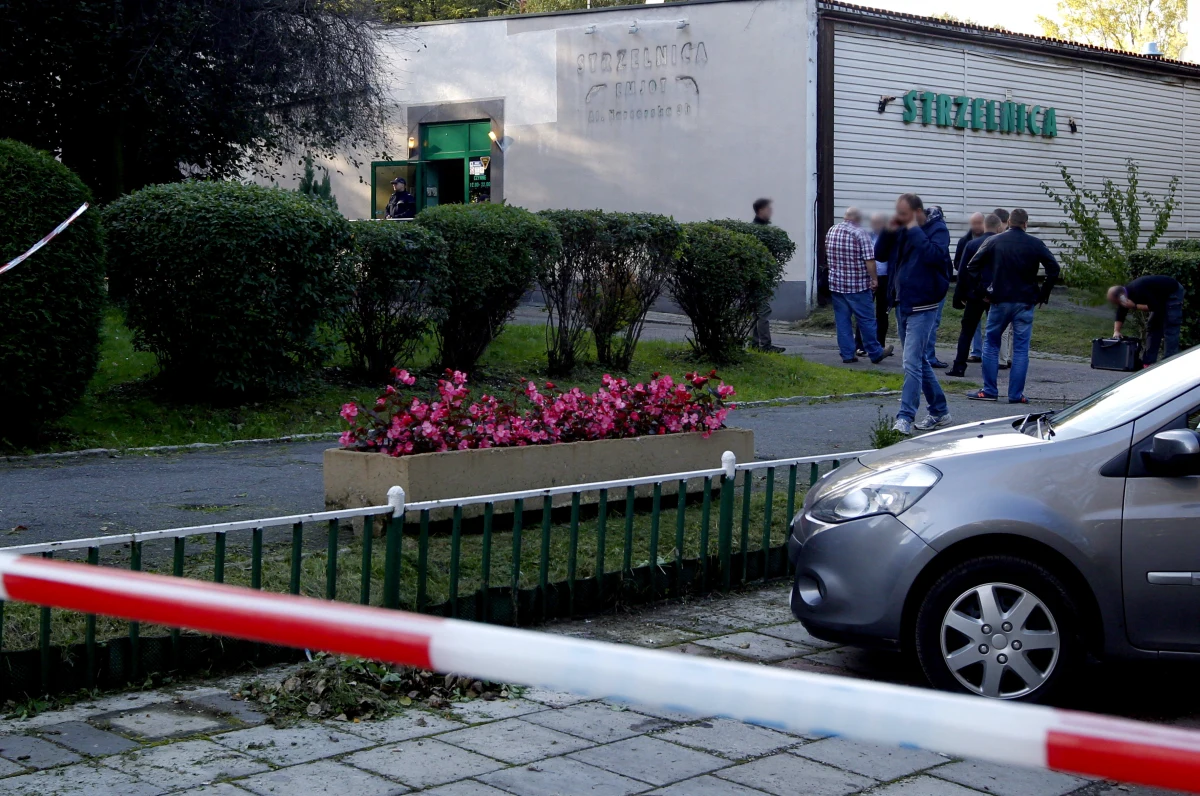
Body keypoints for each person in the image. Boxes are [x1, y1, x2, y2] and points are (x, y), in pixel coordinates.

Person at [965, 208, 1060, 404]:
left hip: (999, 299)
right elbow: (1054, 268)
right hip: (1025, 301)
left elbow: (972, 266)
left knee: (991, 343)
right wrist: (1043, 294)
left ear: (1008, 222)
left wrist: (984, 291)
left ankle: (989, 390)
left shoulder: (994, 241)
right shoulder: (1035, 243)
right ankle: (1015, 394)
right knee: (1021, 348)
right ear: (1026, 224)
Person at [875, 193, 952, 435]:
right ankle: (940, 411)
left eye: (904, 213)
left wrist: (913, 229)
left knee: (910, 362)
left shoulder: (937, 229)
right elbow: (880, 255)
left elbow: (935, 256)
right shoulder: (901, 229)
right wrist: (889, 230)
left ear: (917, 212)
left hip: (924, 304)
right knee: (918, 361)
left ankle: (905, 417)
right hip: (902, 302)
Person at [826, 208, 895, 366]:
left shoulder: (832, 230)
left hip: (836, 284)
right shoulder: (860, 233)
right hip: (857, 285)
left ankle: (847, 354)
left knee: (842, 321)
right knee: (866, 320)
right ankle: (875, 352)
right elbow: (870, 260)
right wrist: (874, 279)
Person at [947, 213, 1003, 377]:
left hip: (974, 294)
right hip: (996, 294)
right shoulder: (1002, 245)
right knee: (994, 332)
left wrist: (960, 295)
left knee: (967, 331)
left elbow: (963, 271)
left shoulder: (972, 244)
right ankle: (993, 367)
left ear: (985, 226)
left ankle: (959, 366)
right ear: (999, 227)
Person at [1107, 275, 1185, 365]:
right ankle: (1149, 362)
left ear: (1121, 297)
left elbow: (1156, 307)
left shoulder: (1139, 289)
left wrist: (1134, 306)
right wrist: (1116, 331)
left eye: (1116, 302)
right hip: (1158, 298)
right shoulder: (1125, 295)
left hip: (1172, 292)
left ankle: (1169, 362)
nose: (1116, 305)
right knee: (1153, 327)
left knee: (1170, 326)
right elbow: (1121, 312)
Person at [751, 198, 785, 353]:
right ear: (760, 210)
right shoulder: (759, 231)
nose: (771, 211)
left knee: (757, 312)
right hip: (759, 277)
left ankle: (755, 343)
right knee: (763, 311)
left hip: (759, 276)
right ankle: (765, 345)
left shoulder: (761, 229)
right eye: (768, 209)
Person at [854, 212, 891, 353]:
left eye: (878, 222)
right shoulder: (865, 236)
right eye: (873, 222)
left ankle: (880, 344)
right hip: (868, 277)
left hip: (885, 277)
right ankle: (860, 345)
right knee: (864, 312)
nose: (875, 225)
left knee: (882, 313)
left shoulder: (889, 237)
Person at [953, 212, 986, 362]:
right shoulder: (964, 241)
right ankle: (976, 350)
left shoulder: (991, 240)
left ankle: (991, 352)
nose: (976, 226)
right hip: (972, 288)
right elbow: (957, 263)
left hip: (986, 285)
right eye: (974, 223)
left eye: (979, 223)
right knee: (973, 322)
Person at [992, 208, 1014, 369]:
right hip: (1017, 289)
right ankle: (1008, 356)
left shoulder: (998, 240)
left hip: (1003, 287)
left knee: (1002, 327)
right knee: (1012, 328)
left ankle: (1001, 358)